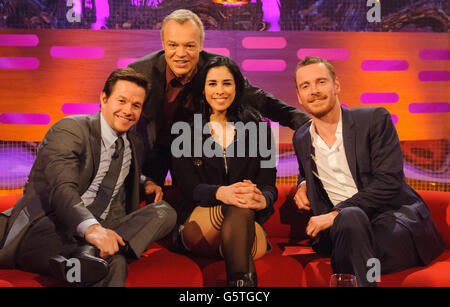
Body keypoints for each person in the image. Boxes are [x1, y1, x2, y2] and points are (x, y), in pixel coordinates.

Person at [0, 68, 177, 287]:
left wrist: (144, 183)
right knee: (115, 262)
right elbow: (61, 189)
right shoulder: (70, 130)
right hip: (52, 226)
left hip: (105, 225)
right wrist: (92, 230)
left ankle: (90, 253)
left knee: (165, 212)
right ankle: (93, 253)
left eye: (136, 105)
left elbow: (118, 170)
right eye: (121, 101)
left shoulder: (134, 142)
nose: (128, 110)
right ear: (104, 98)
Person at [292, 56, 445, 287]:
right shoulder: (301, 137)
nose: (314, 91)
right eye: (306, 86)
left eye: (321, 82)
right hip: (345, 229)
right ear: (299, 97)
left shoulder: (374, 120)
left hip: (391, 222)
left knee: (349, 224)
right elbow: (306, 170)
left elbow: (389, 181)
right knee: (350, 220)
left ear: (337, 86)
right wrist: (302, 185)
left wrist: (335, 214)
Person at [128, 9, 309, 195]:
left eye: (189, 46)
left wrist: (306, 123)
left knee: (192, 201)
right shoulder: (139, 73)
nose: (180, 53)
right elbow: (116, 114)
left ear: (201, 45)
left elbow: (258, 99)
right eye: (173, 45)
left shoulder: (216, 69)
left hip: (195, 153)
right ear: (163, 45)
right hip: (152, 151)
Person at [171, 57, 277, 287]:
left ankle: (239, 284)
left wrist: (263, 199)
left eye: (227, 83)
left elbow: (269, 185)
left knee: (239, 208)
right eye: (212, 84)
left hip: (245, 220)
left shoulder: (260, 128)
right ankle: (241, 286)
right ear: (203, 88)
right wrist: (222, 193)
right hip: (200, 221)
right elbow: (188, 187)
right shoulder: (185, 131)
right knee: (237, 205)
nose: (220, 90)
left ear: (237, 87)